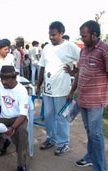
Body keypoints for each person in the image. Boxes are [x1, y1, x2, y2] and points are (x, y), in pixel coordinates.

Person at [67, 20, 108, 171]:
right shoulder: (84, 51)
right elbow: (80, 72)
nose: (82, 38)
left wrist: (99, 78)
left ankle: (100, 168)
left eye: (84, 36)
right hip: (82, 99)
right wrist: (73, 91)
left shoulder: (106, 49)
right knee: (89, 131)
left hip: (96, 100)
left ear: (94, 34)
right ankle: (90, 156)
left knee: (96, 133)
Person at [36, 21, 80, 156]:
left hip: (63, 90)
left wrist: (74, 72)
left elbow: (84, 60)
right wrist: (39, 86)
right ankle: (51, 138)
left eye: (54, 35)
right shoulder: (47, 48)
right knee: (48, 117)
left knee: (61, 117)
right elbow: (42, 67)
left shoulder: (71, 47)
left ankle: (63, 144)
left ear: (62, 33)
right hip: (48, 90)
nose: (51, 37)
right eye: (50, 34)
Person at [0, 65, 28, 171]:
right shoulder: (1, 87)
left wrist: (12, 128)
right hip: (4, 117)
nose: (3, 81)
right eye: (2, 78)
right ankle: (3, 144)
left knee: (21, 134)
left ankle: (21, 165)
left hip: (18, 118)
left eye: (6, 79)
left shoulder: (21, 90)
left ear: (14, 78)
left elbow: (23, 114)